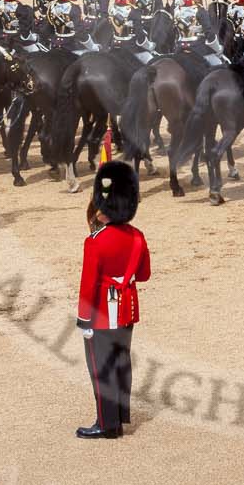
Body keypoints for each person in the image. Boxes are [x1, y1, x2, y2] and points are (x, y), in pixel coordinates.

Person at [76, 158, 149, 441]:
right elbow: (143, 274)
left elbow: (88, 284)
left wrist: (84, 319)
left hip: (102, 313)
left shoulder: (95, 241)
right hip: (127, 309)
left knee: (101, 368)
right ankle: (118, 419)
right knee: (121, 364)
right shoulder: (138, 237)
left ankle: (106, 425)